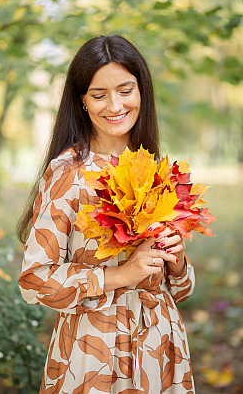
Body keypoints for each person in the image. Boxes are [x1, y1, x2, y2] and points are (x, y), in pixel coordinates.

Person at [17, 35, 195, 394]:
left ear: (142, 92)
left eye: (125, 90)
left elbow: (180, 289)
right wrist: (120, 275)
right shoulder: (69, 171)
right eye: (99, 95)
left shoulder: (155, 168)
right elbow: (34, 281)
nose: (114, 105)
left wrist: (175, 259)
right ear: (82, 101)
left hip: (161, 345)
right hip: (95, 348)